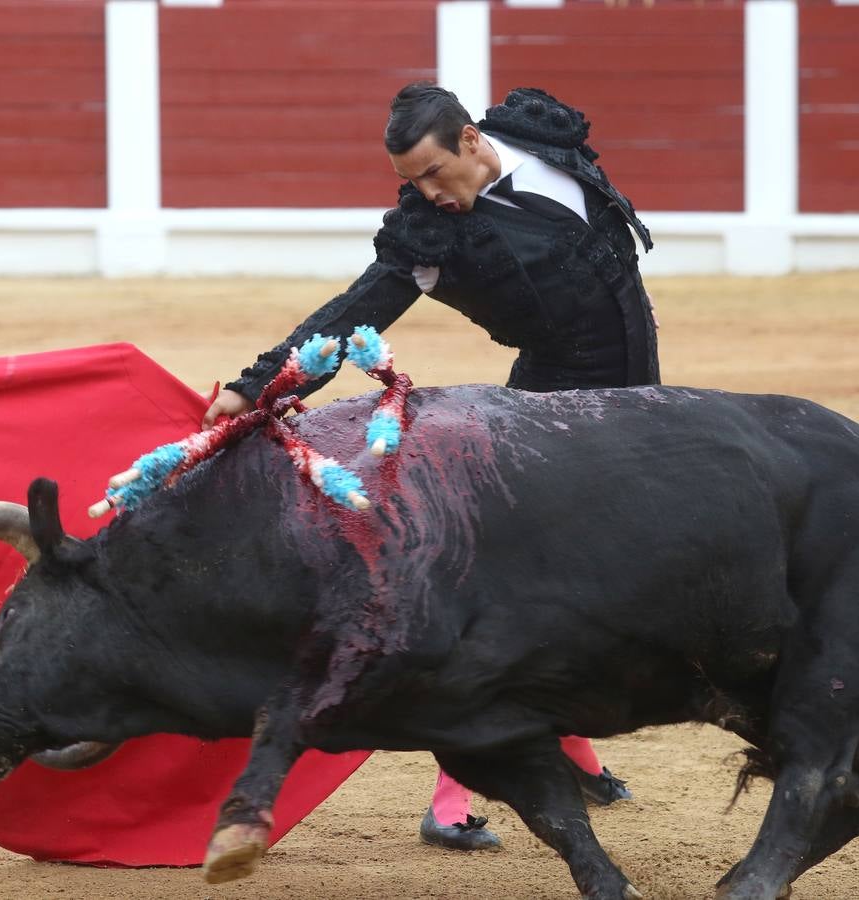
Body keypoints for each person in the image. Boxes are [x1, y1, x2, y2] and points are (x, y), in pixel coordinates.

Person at [200, 82, 658, 852]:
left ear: (474, 142)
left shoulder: (541, 137)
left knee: (606, 576)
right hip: (553, 407)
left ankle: (569, 747)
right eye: (410, 182)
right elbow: (352, 315)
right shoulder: (430, 239)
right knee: (531, 591)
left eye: (434, 174)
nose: (428, 194)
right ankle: (455, 795)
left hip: (637, 386)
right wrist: (259, 383)